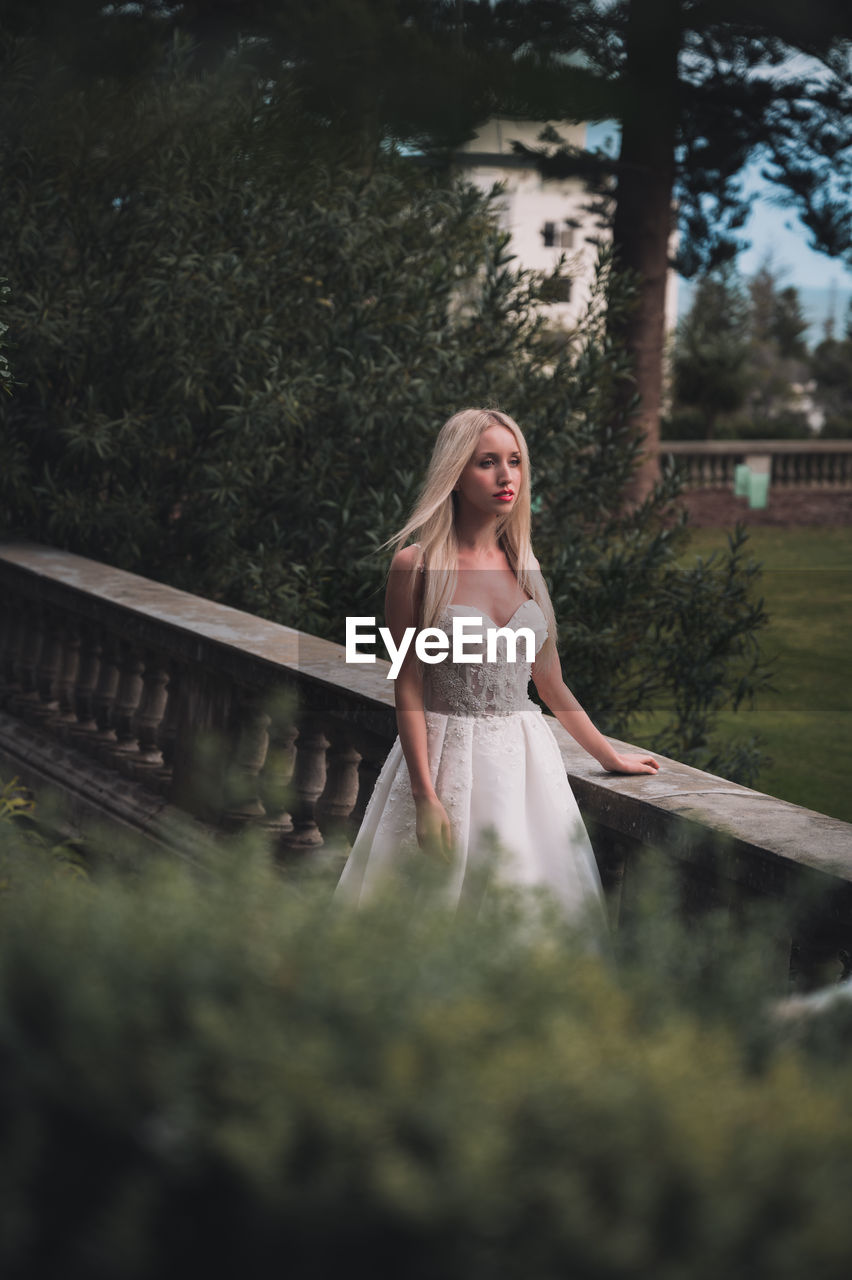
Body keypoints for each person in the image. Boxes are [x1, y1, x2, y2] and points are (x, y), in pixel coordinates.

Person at [335, 408, 659, 917]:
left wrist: (609, 756)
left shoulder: (526, 567)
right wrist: (425, 797)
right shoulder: (415, 566)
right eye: (488, 462)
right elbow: (408, 684)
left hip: (526, 764)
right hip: (445, 759)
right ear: (456, 474)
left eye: (515, 461)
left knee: (528, 910)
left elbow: (550, 685)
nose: (507, 476)